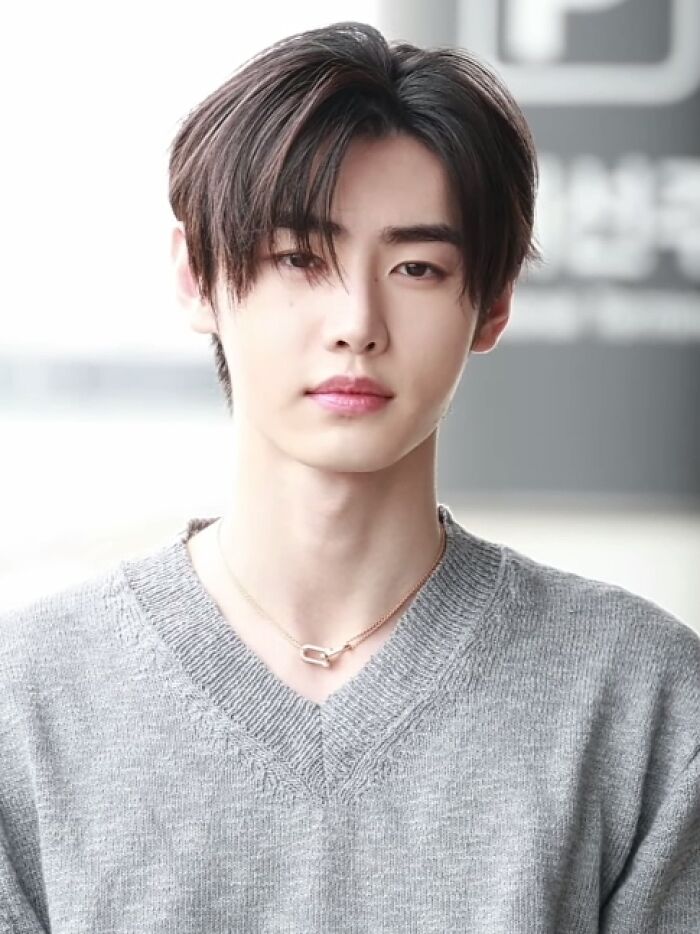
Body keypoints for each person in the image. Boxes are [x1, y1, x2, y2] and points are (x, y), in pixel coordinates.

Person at [1, 20, 698, 933]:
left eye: (416, 266)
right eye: (300, 257)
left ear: (491, 306)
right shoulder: (32, 704)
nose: (356, 322)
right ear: (195, 275)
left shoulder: (644, 701)